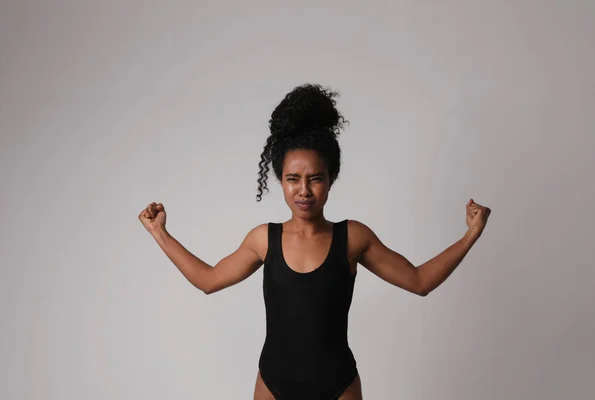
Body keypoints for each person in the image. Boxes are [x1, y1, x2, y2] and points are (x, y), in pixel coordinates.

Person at [138, 84, 491, 400]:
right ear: (280, 180)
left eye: (315, 179)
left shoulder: (353, 237)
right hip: (274, 385)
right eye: (293, 179)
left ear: (331, 179)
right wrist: (160, 233)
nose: (304, 190)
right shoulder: (264, 239)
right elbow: (208, 280)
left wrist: (470, 235)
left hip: (338, 386)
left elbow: (419, 281)